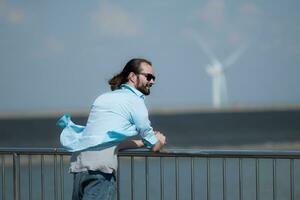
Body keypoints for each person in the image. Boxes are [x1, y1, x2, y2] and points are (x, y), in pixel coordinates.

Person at [57, 58, 166, 200]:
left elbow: (108, 142)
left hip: (80, 167)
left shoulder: (103, 98)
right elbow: (154, 146)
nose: (153, 82)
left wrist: (141, 143)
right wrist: (160, 141)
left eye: (154, 78)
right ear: (132, 76)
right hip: (100, 172)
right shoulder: (135, 101)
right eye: (149, 77)